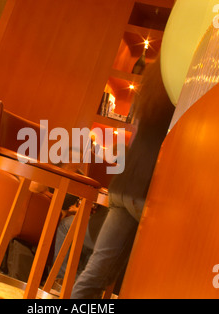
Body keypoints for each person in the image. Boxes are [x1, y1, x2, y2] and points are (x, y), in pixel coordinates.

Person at [70, 56, 175, 298]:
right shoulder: (183, 91)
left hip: (124, 186)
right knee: (144, 284)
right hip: (149, 193)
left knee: (95, 275)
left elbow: (137, 136)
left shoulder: (151, 88)